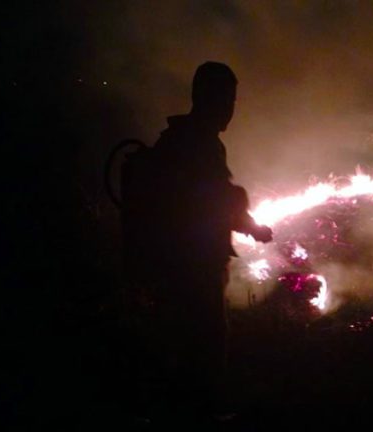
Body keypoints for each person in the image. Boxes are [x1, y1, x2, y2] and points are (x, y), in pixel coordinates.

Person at [119, 61, 272, 422]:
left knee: (178, 342)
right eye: (228, 99)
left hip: (172, 262)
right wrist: (254, 226)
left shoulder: (175, 140)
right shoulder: (201, 145)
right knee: (205, 342)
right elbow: (217, 200)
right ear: (211, 98)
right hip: (195, 264)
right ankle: (199, 414)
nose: (231, 109)